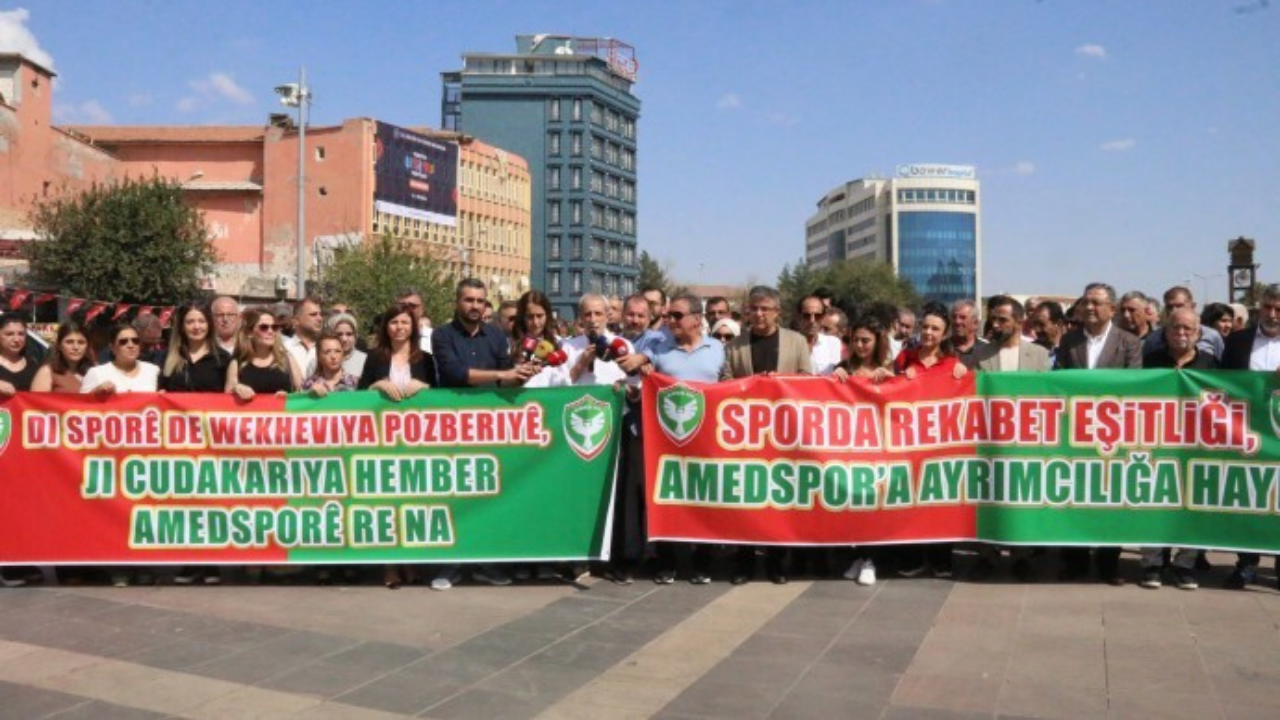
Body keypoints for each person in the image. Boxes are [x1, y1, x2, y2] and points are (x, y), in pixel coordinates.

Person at [431, 279, 536, 590]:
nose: (475, 306)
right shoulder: (442, 335)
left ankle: (485, 563)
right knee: (453, 496)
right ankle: (449, 565)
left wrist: (521, 374)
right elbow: (455, 373)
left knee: (488, 494)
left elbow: (506, 378)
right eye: (469, 300)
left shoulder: (496, 335)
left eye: (479, 300)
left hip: (489, 426)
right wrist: (503, 374)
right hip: (452, 425)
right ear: (457, 302)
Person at [721, 285, 812, 585]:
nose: (758, 314)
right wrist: (750, 384)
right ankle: (744, 561)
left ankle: (776, 561)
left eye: (765, 309)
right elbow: (725, 382)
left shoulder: (796, 341)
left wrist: (780, 381)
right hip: (747, 434)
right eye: (753, 309)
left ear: (777, 312)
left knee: (780, 499)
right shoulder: (735, 345)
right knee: (747, 499)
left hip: (784, 433)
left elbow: (809, 380)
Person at [1055, 282, 1141, 585]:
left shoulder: (1129, 342)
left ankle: (1108, 565)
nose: (1089, 308)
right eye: (1086, 302)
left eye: (1096, 303)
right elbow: (1059, 381)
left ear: (1112, 309)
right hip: (1075, 433)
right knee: (1073, 498)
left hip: (1112, 435)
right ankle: (1075, 563)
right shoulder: (1069, 341)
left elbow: (1134, 386)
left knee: (1111, 500)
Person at [964, 296, 1049, 582]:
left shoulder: (1039, 355)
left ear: (1019, 321)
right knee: (987, 499)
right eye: (994, 319)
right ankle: (986, 556)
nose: (996, 324)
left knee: (1020, 500)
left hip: (1025, 443)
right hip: (989, 441)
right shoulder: (980, 355)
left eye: (1003, 319)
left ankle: (1021, 556)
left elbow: (1046, 395)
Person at [358, 302, 435, 589]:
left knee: (412, 503)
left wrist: (425, 387)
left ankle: (410, 562)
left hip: (416, 441)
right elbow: (359, 394)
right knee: (387, 504)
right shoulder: (374, 357)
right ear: (386, 327)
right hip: (382, 441)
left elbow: (442, 396)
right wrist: (377, 386)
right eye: (394, 322)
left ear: (413, 327)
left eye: (405, 322)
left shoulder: (426, 359)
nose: (399, 327)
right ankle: (389, 564)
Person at [1138, 307, 1215, 590]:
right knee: (1153, 503)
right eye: (1175, 328)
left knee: (1191, 506)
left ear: (1198, 333)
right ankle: (1152, 564)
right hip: (1155, 442)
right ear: (1165, 331)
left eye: (1188, 329)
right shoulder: (1149, 361)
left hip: (1196, 445)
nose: (1181, 333)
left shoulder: (1211, 364)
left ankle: (1185, 566)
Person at [81, 322, 162, 588]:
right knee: (114, 514)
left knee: (144, 514)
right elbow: (77, 413)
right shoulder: (96, 373)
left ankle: (145, 566)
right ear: (112, 347)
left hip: (146, 456)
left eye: (135, 341)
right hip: (111, 457)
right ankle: (119, 567)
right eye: (124, 341)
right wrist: (96, 395)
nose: (130, 345)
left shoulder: (152, 371)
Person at [893, 302, 967, 578]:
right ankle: (911, 558)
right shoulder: (904, 358)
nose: (928, 332)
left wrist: (963, 377)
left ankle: (941, 559)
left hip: (940, 445)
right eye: (925, 326)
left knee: (940, 500)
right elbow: (886, 389)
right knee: (909, 501)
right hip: (908, 443)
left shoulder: (953, 363)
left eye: (935, 329)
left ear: (944, 334)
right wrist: (900, 378)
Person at [160, 305, 232, 585]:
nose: (196, 326)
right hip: (179, 443)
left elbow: (229, 399)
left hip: (212, 442)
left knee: (210, 502)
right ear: (182, 326)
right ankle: (190, 561)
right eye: (190, 321)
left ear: (209, 325)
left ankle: (211, 562)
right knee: (185, 503)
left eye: (201, 321)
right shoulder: (168, 359)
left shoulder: (223, 359)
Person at [1222, 284, 1280, 590]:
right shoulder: (1238, 341)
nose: (1272, 314)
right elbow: (1221, 383)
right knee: (1249, 499)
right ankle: (1246, 564)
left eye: (1279, 309)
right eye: (1268, 307)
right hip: (1246, 434)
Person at [831, 313, 894, 586]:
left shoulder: (888, 367)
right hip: (849, 447)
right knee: (852, 505)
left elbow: (905, 397)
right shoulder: (843, 366)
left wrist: (892, 380)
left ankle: (870, 559)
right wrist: (834, 378)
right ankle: (856, 556)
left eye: (866, 340)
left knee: (873, 505)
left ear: (877, 341)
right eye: (855, 340)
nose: (860, 345)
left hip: (880, 447)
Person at [0, 314, 47, 588]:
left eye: (20, 333)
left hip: (27, 448)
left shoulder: (34, 366)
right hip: (3, 444)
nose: (16, 339)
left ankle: (23, 559)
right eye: (9, 334)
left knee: (22, 506)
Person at [226, 307, 302, 400]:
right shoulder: (237, 362)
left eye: (274, 327)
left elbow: (302, 393)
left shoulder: (287, 359)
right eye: (264, 327)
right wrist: (237, 389)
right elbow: (226, 398)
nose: (270, 331)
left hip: (280, 409)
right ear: (250, 332)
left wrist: (289, 397)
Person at [1143, 286, 1224, 360]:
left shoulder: (1212, 336)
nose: (1174, 310)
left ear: (1193, 306)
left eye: (1179, 306)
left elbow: (1219, 366)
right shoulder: (1153, 339)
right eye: (1170, 307)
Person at [796, 295, 842, 376]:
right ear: (799, 317)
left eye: (818, 316)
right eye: (807, 316)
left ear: (823, 317)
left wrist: (841, 370)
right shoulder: (787, 344)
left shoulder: (833, 343)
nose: (812, 320)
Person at [285, 296, 324, 378]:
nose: (320, 318)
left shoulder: (326, 348)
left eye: (320, 314)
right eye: (313, 315)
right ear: (296, 321)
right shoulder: (284, 348)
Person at [325, 312, 367, 379]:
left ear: (355, 336)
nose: (344, 339)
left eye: (349, 334)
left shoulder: (365, 360)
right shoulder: (319, 360)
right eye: (339, 334)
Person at [949, 299, 985, 366]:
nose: (957, 322)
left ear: (975, 323)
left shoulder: (986, 350)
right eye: (954, 317)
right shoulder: (941, 349)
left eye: (963, 317)